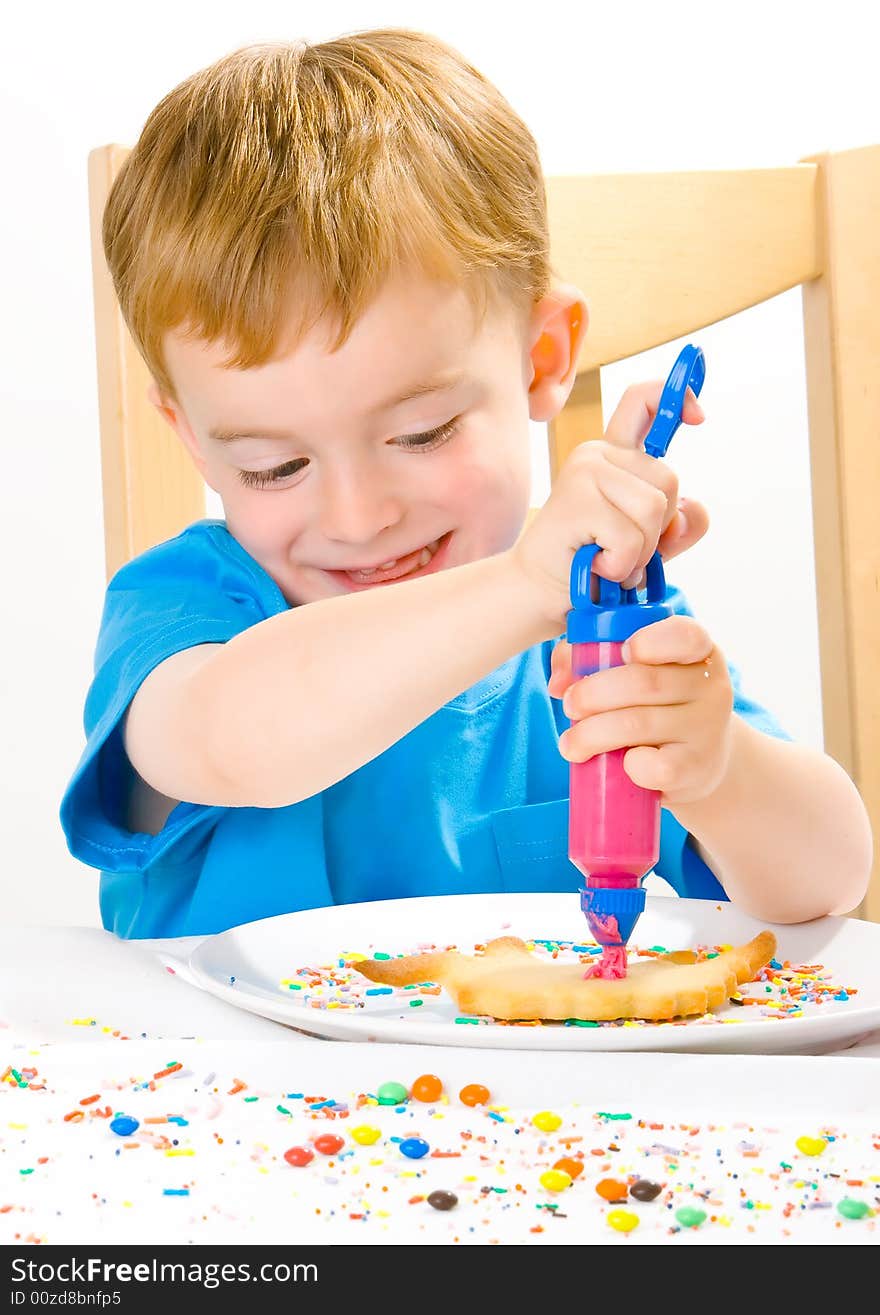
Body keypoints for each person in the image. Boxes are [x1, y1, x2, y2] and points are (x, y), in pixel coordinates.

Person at [61, 30, 871, 939]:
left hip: (531, 1088)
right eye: (275, 466)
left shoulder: (592, 634)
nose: (360, 517)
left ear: (543, 358)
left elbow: (832, 877)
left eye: (422, 432)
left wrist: (717, 766)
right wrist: (520, 586)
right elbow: (236, 742)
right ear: (192, 439)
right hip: (200, 1083)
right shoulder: (181, 614)